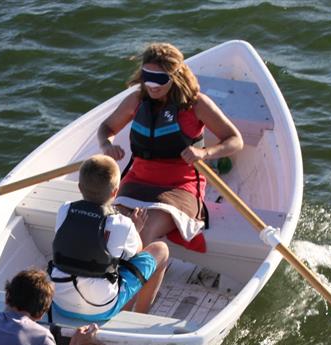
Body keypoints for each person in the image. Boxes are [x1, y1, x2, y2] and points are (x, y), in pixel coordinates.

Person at [98, 42, 244, 250]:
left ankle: (129, 279)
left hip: (180, 186)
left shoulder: (197, 105)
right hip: (137, 180)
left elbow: (234, 139)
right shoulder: (136, 101)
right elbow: (106, 127)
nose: (152, 85)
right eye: (148, 77)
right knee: (114, 228)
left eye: (160, 79)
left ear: (175, 76)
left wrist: (205, 152)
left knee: (144, 230)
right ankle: (114, 275)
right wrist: (106, 145)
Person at [49, 155, 169, 320]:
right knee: (160, 250)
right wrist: (136, 227)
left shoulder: (65, 210)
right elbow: (137, 254)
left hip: (59, 302)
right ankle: (140, 317)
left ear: (79, 187)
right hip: (100, 309)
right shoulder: (122, 223)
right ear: (115, 191)